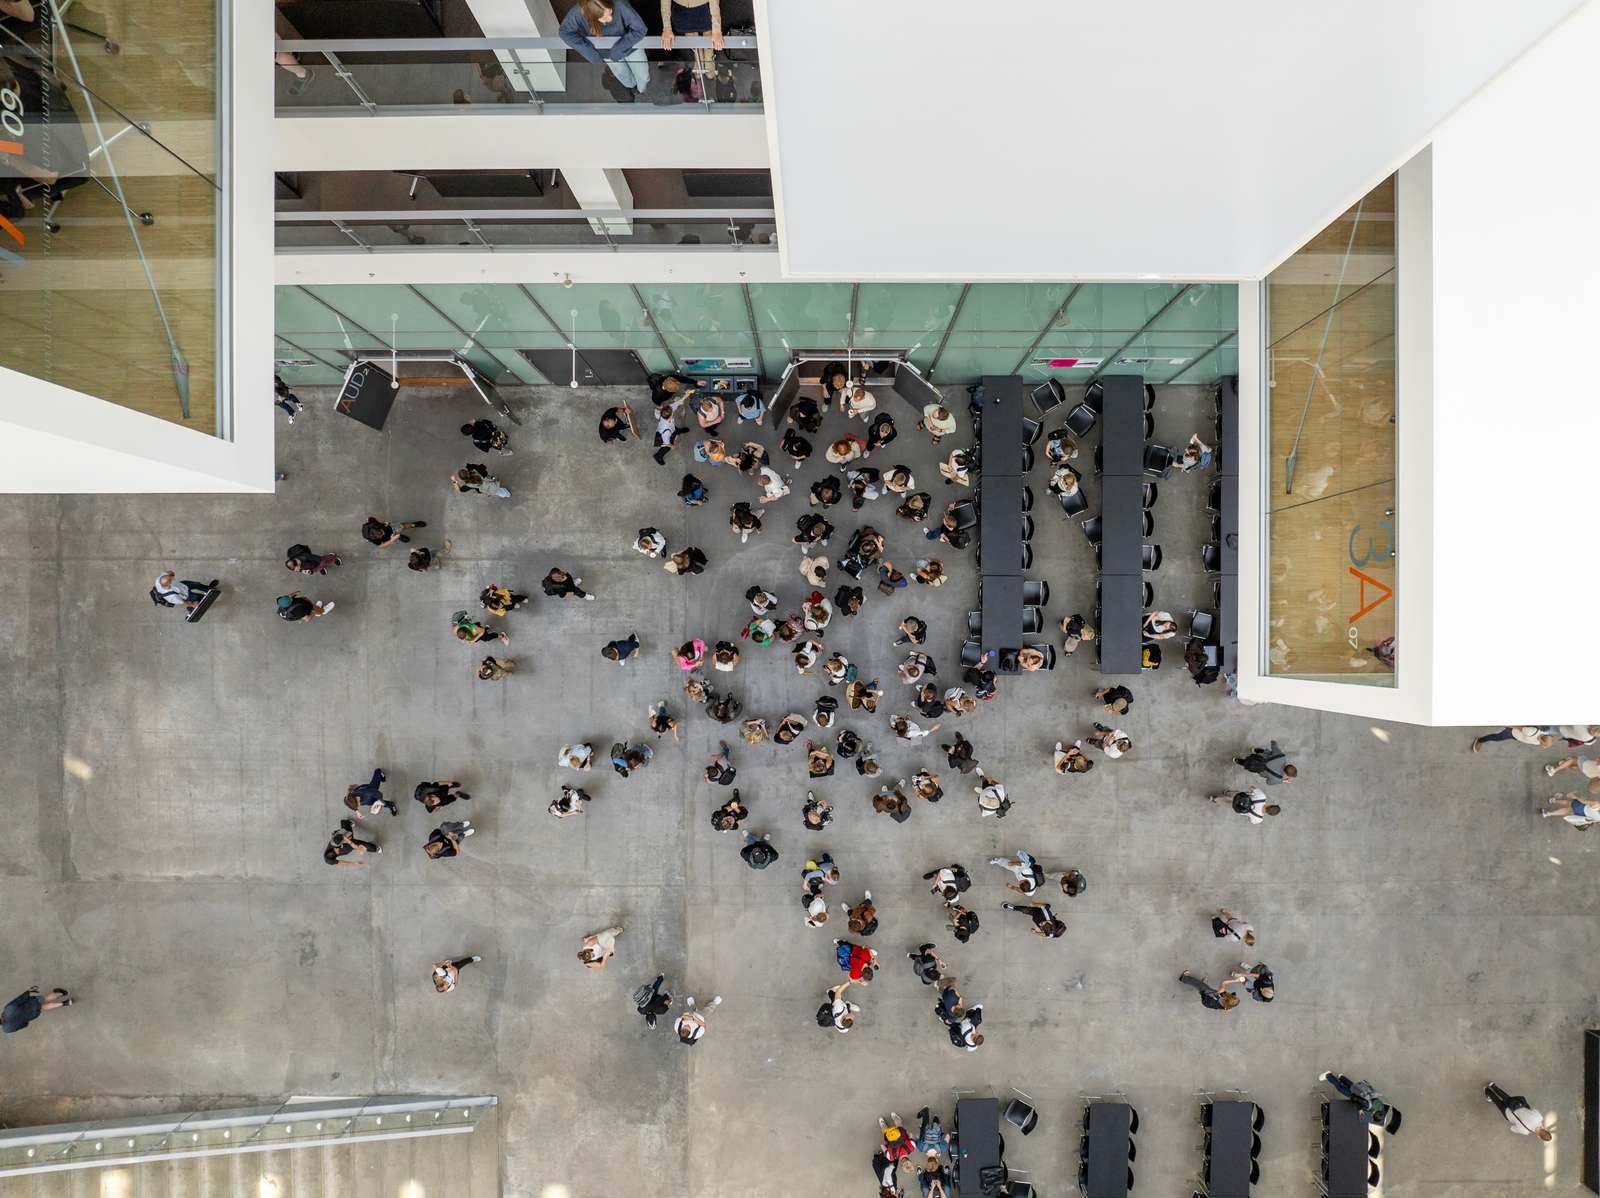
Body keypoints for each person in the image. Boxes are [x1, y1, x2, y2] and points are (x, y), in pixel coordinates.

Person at [559, 0, 651, 98]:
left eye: (610, 12)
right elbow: (565, 32)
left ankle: (641, 91)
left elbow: (640, 29)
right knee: (623, 75)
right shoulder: (579, 12)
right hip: (606, 53)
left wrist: (618, 49)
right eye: (604, 18)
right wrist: (590, 53)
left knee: (643, 77)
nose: (610, 18)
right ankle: (632, 87)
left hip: (631, 45)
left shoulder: (619, 4)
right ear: (591, 18)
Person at [1484, 1084, 1553, 1140]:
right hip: (1508, 1113)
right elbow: (1512, 1128)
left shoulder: (1539, 1117)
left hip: (1516, 1105)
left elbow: (1533, 1110)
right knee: (1498, 1102)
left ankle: (1493, 1086)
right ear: (1538, 1137)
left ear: (1546, 1129)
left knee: (1505, 1097)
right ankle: (1487, 1091)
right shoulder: (1525, 1131)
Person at [1, 985, 73, 1033]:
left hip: (33, 1015)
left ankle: (66, 1003)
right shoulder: (8, 1009)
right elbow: (20, 999)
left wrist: (26, 1020)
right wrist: (28, 991)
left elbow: (24, 1025)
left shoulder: (7, 1029)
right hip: (33, 1003)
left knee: (44, 1007)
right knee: (46, 998)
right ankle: (63, 993)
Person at [1318, 1072, 1389, 1121]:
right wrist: (1360, 1109)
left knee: (1350, 1084)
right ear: (1374, 1113)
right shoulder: (1367, 1106)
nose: (1371, 1116)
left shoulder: (1380, 1104)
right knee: (1340, 1088)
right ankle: (1328, 1075)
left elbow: (1372, 1095)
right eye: (1372, 1116)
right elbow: (1356, 1099)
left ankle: (1341, 1077)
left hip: (1361, 1089)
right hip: (1354, 1094)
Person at [152, 571, 219, 613]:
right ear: (168, 585)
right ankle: (191, 607)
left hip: (182, 585)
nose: (173, 579)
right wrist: (192, 605)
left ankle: (209, 588)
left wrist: (171, 574)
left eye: (171, 578)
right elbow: (182, 603)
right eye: (171, 580)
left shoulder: (161, 578)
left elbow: (170, 572)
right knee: (199, 597)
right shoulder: (171, 597)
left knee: (197, 584)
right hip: (184, 595)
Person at [1212, 787, 1280, 824]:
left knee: (1235, 794)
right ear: (1268, 814)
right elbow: (1251, 820)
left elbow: (1252, 787)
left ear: (1271, 805)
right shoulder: (1259, 819)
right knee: (1226, 803)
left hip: (1240, 797)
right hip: (1238, 808)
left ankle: (1227, 793)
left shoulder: (1262, 797)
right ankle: (1214, 799)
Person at [1472, 726, 1556, 751]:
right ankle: (1479, 740)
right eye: (1544, 745)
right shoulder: (1531, 732)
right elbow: (1518, 727)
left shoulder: (1539, 741)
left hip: (1517, 737)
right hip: (1511, 732)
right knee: (1497, 738)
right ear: (1542, 741)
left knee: (1497, 737)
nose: (1544, 747)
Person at [362, 516, 427, 549]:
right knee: (395, 536)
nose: (383, 533)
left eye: (381, 531)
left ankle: (414, 524)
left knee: (402, 526)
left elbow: (369, 518)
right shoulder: (373, 539)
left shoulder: (372, 521)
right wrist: (391, 541)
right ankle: (398, 537)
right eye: (380, 535)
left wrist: (383, 523)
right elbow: (381, 546)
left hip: (389, 527)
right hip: (389, 538)